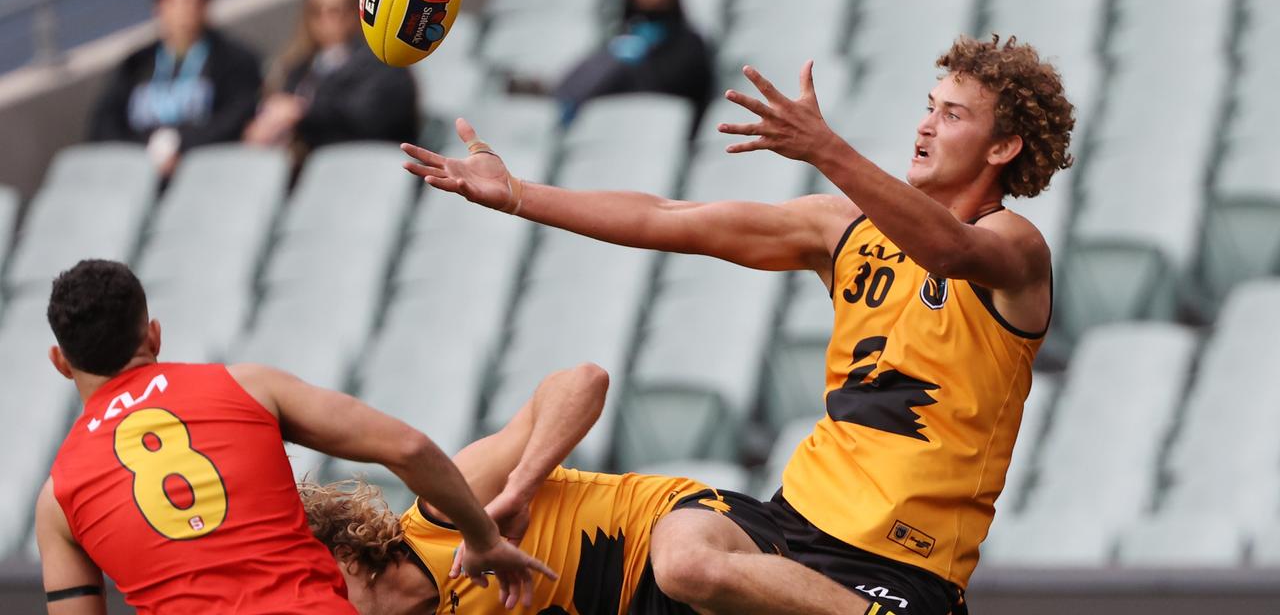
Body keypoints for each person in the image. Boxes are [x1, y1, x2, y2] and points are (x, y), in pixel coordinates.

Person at [401, 34, 1075, 614]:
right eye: (929, 108)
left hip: (905, 568)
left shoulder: (1016, 248)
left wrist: (826, 148)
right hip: (792, 528)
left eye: (952, 115)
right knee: (682, 553)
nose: (925, 126)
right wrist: (518, 195)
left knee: (689, 568)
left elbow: (949, 251)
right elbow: (671, 219)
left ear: (1004, 146)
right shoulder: (840, 228)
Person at [35, 260, 553, 614]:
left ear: (61, 362)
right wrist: (482, 538)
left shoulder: (57, 500)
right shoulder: (247, 385)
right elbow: (408, 448)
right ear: (153, 334)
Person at [302, 364, 871, 614]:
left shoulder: (441, 515)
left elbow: (582, 382)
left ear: (350, 558)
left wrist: (518, 491)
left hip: (669, 526)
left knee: (687, 568)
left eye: (314, 588)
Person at [87, 0, 262, 177]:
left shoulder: (235, 60)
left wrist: (183, 147)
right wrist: (144, 154)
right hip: (137, 174)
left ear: (206, 5)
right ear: (159, 6)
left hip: (205, 173)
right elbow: (104, 124)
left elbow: (236, 115)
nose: (185, 8)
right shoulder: (135, 64)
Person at [243, 0, 417, 166]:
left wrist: (302, 111)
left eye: (337, 9)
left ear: (358, 10)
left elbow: (369, 115)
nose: (328, 19)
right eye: (317, 10)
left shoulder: (383, 60)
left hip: (366, 167)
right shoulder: (298, 69)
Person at [554, 0, 713, 124]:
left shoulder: (689, 41)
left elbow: (680, 84)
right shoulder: (622, 37)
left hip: (660, 114)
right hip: (613, 111)